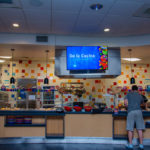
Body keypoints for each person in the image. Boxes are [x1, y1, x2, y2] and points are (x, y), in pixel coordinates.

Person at [124, 85, 145, 149]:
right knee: (140, 129)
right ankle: (141, 145)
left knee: (130, 129)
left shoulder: (128, 94)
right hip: (139, 111)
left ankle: (130, 144)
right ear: (137, 89)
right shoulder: (140, 95)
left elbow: (125, 103)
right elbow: (143, 103)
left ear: (132, 89)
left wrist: (128, 107)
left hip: (130, 112)